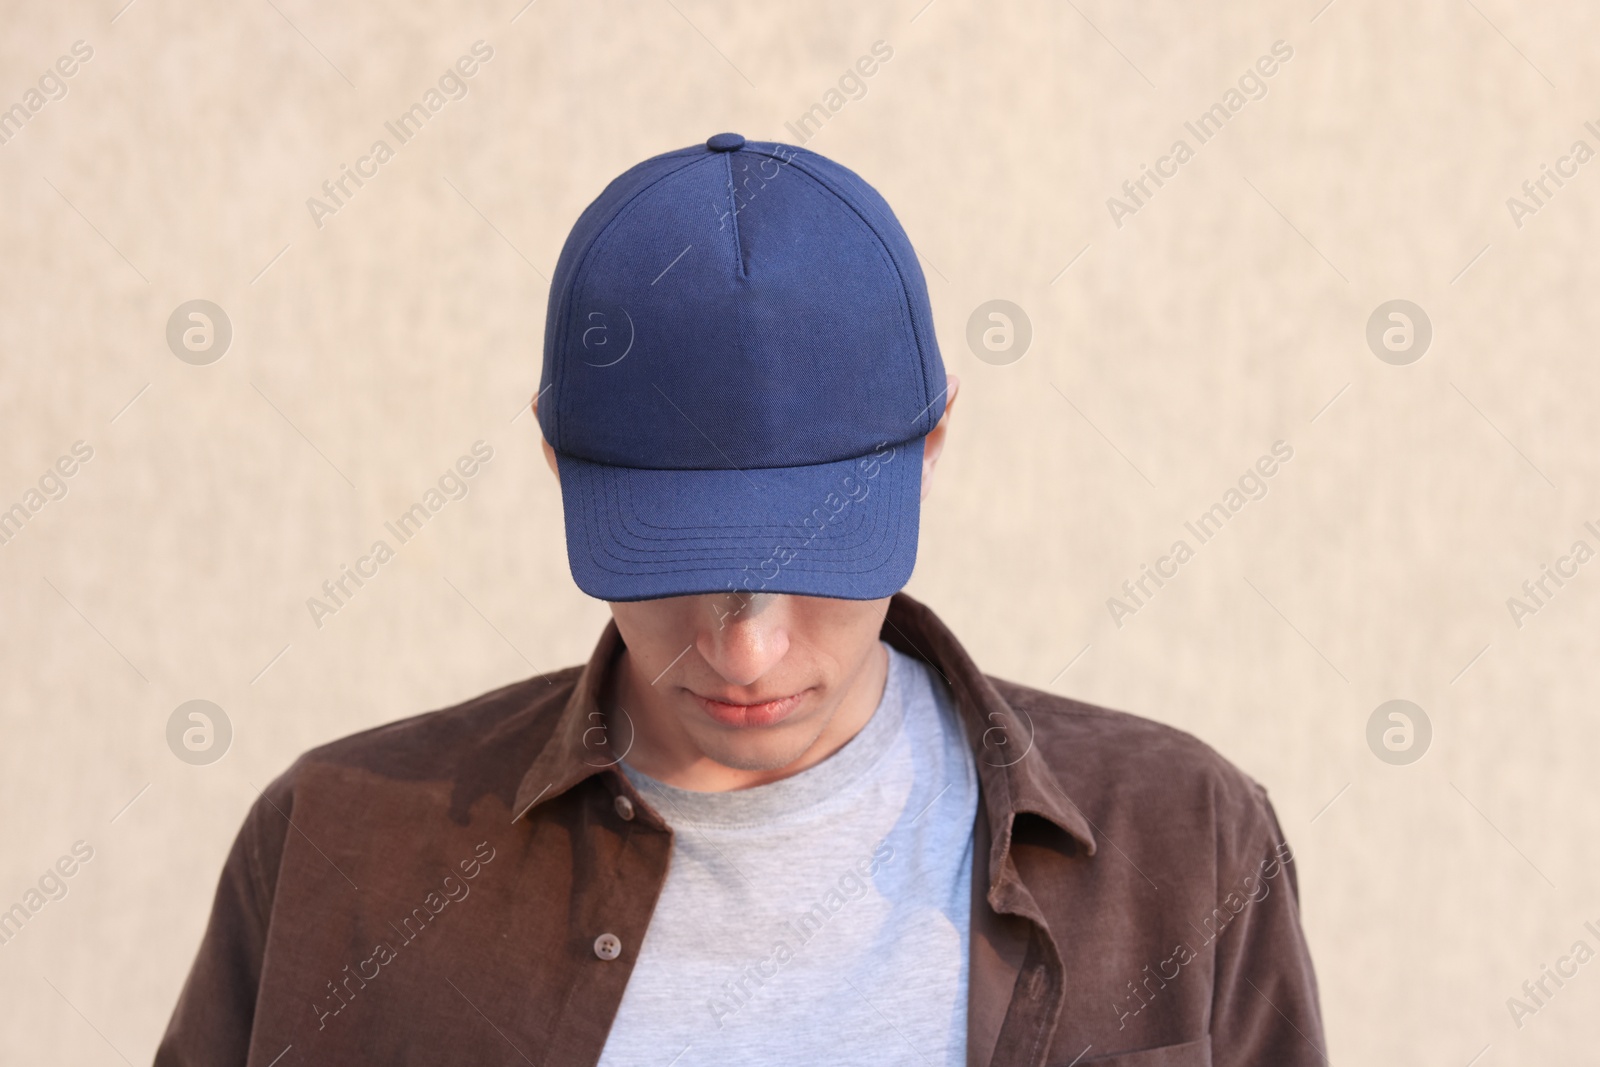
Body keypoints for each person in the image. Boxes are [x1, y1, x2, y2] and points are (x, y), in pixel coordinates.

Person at [157, 132, 1324, 1067]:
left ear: (934, 443)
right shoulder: (336, 850)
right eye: (672, 559)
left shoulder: (1186, 842)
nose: (747, 648)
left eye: (817, 553)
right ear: (559, 460)